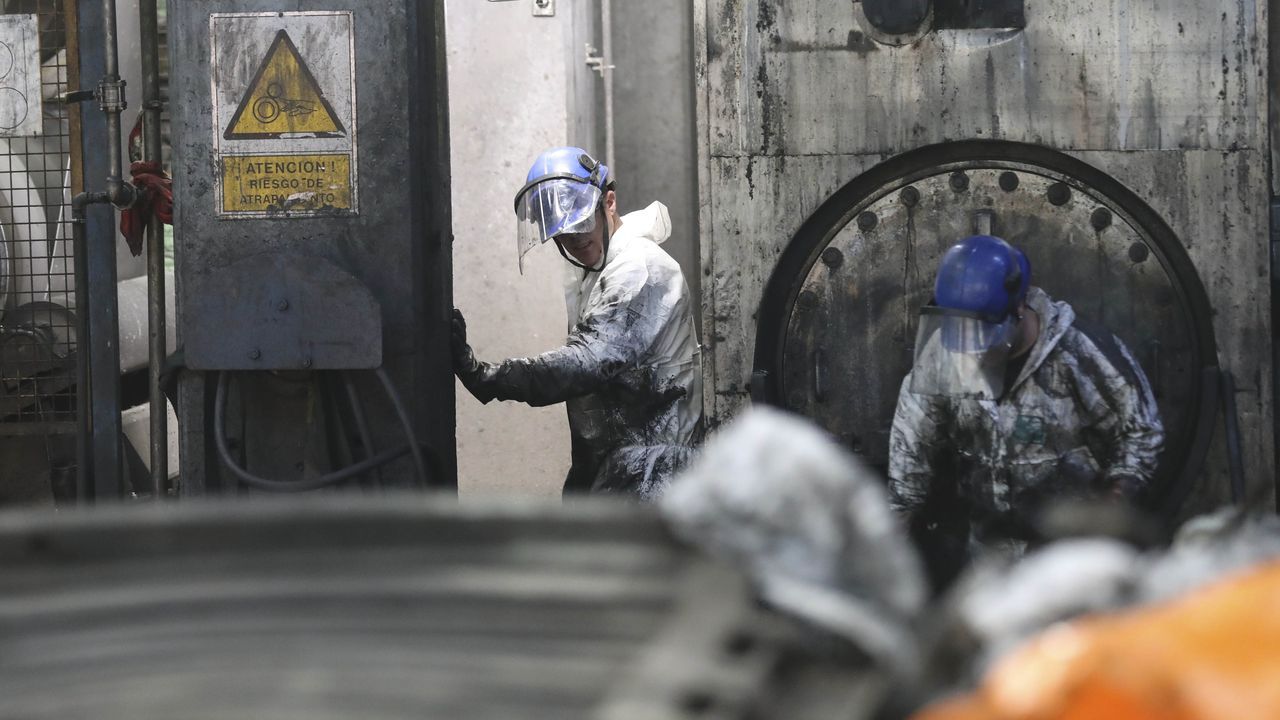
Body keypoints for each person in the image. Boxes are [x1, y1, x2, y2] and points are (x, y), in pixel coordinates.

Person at [887, 235, 1163, 578]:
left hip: (1074, 555)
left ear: (1019, 307)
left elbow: (1141, 432)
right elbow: (911, 451)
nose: (973, 349)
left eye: (983, 333)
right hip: (988, 555)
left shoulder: (1079, 352)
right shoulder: (945, 352)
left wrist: (1110, 512)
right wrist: (890, 549)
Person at [451, 146, 703, 499]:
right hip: (625, 468)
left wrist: (489, 377)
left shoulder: (639, 269)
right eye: (563, 231)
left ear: (609, 203)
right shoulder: (597, 273)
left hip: (657, 476)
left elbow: (587, 362)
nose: (575, 238)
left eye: (581, 222)